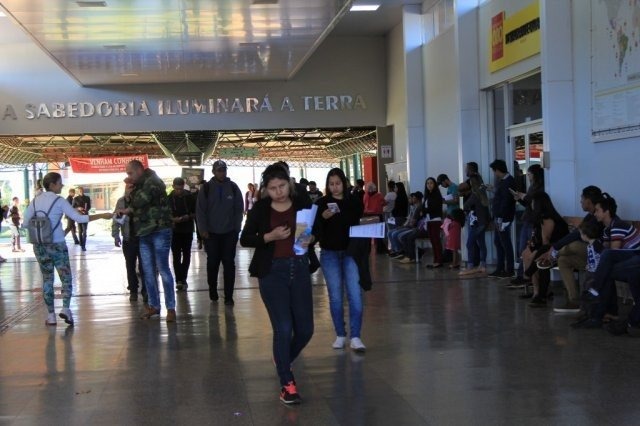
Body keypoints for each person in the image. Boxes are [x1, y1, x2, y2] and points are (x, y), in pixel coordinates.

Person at [239, 164, 314, 405]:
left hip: (300, 268)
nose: (278, 192)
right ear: (266, 189)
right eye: (272, 188)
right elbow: (245, 238)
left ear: (289, 184)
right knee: (283, 328)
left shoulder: (301, 203)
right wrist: (269, 237)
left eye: (281, 186)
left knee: (305, 329)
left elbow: (314, 230)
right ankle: (287, 383)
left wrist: (313, 237)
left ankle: (283, 358)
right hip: (272, 272)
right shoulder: (260, 209)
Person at [22, 172, 112, 326]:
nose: (62, 185)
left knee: (47, 279)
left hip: (39, 246)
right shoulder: (59, 201)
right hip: (57, 244)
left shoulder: (35, 201)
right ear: (52, 185)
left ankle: (50, 316)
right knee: (66, 278)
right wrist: (102, 215)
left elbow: (24, 223)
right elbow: (80, 218)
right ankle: (65, 308)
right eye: (59, 183)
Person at [313, 168, 366, 351]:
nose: (335, 187)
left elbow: (357, 217)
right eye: (331, 184)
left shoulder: (353, 201)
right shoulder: (321, 203)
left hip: (351, 252)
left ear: (344, 183)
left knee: (355, 295)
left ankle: (356, 336)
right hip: (329, 253)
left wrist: (341, 214)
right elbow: (314, 228)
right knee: (335, 296)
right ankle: (340, 334)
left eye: (338, 183)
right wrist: (322, 217)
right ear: (327, 185)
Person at [119, 160, 176, 322]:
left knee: (163, 269)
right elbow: (132, 205)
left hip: (159, 230)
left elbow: (139, 201)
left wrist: (129, 193)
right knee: (148, 271)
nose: (128, 177)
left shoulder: (153, 181)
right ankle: (154, 305)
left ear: (139, 170)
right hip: (144, 232)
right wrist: (128, 196)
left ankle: (170, 308)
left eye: (130, 173)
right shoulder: (139, 184)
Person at [537, 186, 603, 314]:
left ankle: (552, 256)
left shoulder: (597, 215)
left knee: (572, 246)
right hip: (588, 255)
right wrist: (555, 247)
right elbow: (577, 234)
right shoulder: (589, 216)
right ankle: (574, 300)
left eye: (582, 199)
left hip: (598, 255)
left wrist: (555, 248)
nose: (580, 202)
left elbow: (578, 235)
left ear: (588, 201)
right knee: (563, 260)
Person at [196, 160, 244, 305]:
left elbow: (238, 209)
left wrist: (236, 228)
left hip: (229, 233)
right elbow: (200, 211)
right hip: (211, 234)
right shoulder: (206, 188)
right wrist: (203, 230)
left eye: (224, 170)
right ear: (213, 172)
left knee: (229, 263)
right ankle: (213, 289)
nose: (222, 173)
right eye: (219, 170)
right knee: (213, 263)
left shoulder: (233, 188)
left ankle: (229, 296)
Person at [519, 192, 569, 307]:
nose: (531, 204)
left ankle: (541, 293)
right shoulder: (540, 217)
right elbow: (537, 239)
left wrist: (537, 251)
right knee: (526, 254)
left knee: (536, 258)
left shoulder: (547, 218)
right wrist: (530, 246)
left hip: (556, 249)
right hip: (547, 247)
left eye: (533, 202)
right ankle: (536, 291)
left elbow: (546, 241)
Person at [509, 164, 545, 288]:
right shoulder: (532, 187)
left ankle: (526, 276)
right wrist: (519, 199)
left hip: (533, 221)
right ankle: (522, 275)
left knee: (529, 247)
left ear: (535, 175)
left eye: (529, 174)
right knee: (522, 249)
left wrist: (524, 197)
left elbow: (533, 202)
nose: (528, 176)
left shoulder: (540, 188)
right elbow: (528, 204)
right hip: (528, 219)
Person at [112, 182, 146, 303]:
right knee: (130, 265)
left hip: (142, 238)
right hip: (128, 239)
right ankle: (133, 290)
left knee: (144, 266)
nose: (130, 190)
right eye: (128, 187)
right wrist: (116, 235)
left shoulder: (141, 201)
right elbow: (116, 219)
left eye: (133, 188)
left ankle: (145, 291)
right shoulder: (121, 202)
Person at [488, 159, 516, 278]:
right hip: (499, 216)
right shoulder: (503, 181)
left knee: (505, 243)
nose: (495, 174)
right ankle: (500, 268)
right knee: (498, 242)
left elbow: (506, 200)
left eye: (495, 171)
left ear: (498, 170)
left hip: (503, 217)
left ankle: (509, 269)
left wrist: (501, 217)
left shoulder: (508, 181)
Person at [168, 177, 196, 292]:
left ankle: (183, 278)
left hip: (187, 229)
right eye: (177, 189)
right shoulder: (168, 199)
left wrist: (187, 217)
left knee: (187, 254)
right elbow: (164, 213)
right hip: (174, 230)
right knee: (176, 256)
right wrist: (172, 219)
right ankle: (178, 279)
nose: (179, 191)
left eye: (181, 189)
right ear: (173, 186)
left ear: (183, 186)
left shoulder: (190, 197)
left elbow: (195, 212)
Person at [460, 176, 491, 276]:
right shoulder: (483, 193)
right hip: (482, 223)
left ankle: (470, 265)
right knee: (481, 243)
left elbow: (465, 206)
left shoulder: (475, 195)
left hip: (475, 223)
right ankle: (483, 264)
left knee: (470, 244)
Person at [423, 177, 444, 268]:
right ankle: (435, 260)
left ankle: (439, 260)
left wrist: (424, 211)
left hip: (435, 220)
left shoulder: (436, 195)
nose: (429, 185)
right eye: (427, 183)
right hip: (429, 220)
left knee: (436, 241)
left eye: (431, 183)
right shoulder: (428, 195)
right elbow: (425, 208)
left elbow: (434, 208)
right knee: (432, 241)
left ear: (434, 184)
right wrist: (424, 211)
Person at [72, 187, 91, 251]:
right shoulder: (75, 199)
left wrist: (85, 210)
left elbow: (89, 206)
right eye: (80, 191)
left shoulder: (87, 198)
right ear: (78, 191)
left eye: (82, 190)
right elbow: (73, 207)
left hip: (85, 215)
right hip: (79, 216)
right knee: (80, 231)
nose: (81, 192)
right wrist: (78, 208)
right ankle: (81, 243)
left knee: (85, 231)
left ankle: (83, 245)